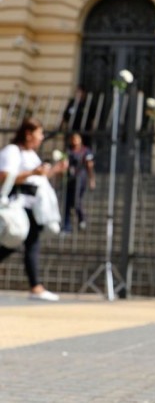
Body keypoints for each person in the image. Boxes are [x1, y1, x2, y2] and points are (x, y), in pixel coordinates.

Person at [0, 118, 68, 301]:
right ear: (28, 134)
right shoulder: (13, 151)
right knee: (15, 242)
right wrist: (33, 173)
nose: (42, 137)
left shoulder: (31, 154)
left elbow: (37, 178)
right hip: (18, 205)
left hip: (32, 206)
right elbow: (4, 176)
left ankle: (36, 286)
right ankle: (36, 287)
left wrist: (55, 171)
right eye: (40, 133)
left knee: (22, 242)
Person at [63, 132, 95, 232]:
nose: (74, 141)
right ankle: (66, 225)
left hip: (80, 178)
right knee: (67, 202)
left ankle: (82, 219)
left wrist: (92, 179)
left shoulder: (85, 151)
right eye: (73, 138)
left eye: (76, 138)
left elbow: (90, 166)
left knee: (76, 200)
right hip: (69, 178)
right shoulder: (68, 151)